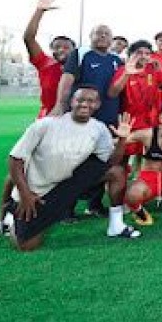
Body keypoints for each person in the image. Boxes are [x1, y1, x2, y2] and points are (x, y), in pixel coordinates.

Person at [0, 0, 76, 238]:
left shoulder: (80, 69)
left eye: (66, 46)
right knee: (21, 168)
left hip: (70, 127)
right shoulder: (45, 64)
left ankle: (55, 211)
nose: (61, 49)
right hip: (46, 123)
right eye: (57, 46)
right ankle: (0, 218)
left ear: (74, 50)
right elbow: (28, 37)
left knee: (62, 170)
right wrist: (40, 10)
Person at [5, 86, 139, 251]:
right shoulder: (46, 124)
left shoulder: (99, 129)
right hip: (37, 193)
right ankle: (12, 215)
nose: (85, 104)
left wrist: (123, 140)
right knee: (26, 245)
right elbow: (15, 159)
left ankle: (116, 225)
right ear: (71, 102)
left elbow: (111, 162)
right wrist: (25, 193)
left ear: (97, 105)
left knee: (116, 172)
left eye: (90, 101)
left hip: (68, 184)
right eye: (80, 100)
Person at [108, 40, 162, 224]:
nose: (144, 56)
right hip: (129, 122)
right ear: (131, 54)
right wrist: (126, 74)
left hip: (151, 122)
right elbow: (113, 93)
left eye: (147, 53)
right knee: (121, 163)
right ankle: (122, 201)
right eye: (139, 52)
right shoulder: (124, 70)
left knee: (159, 159)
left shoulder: (153, 71)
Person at [52, 24, 125, 218]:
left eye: (107, 34)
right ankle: (66, 207)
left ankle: (95, 204)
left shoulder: (117, 60)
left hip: (108, 118)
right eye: (98, 33)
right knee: (74, 161)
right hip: (83, 118)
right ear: (90, 36)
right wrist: (60, 104)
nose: (102, 36)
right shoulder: (80, 54)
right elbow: (67, 80)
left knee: (103, 160)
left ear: (111, 39)